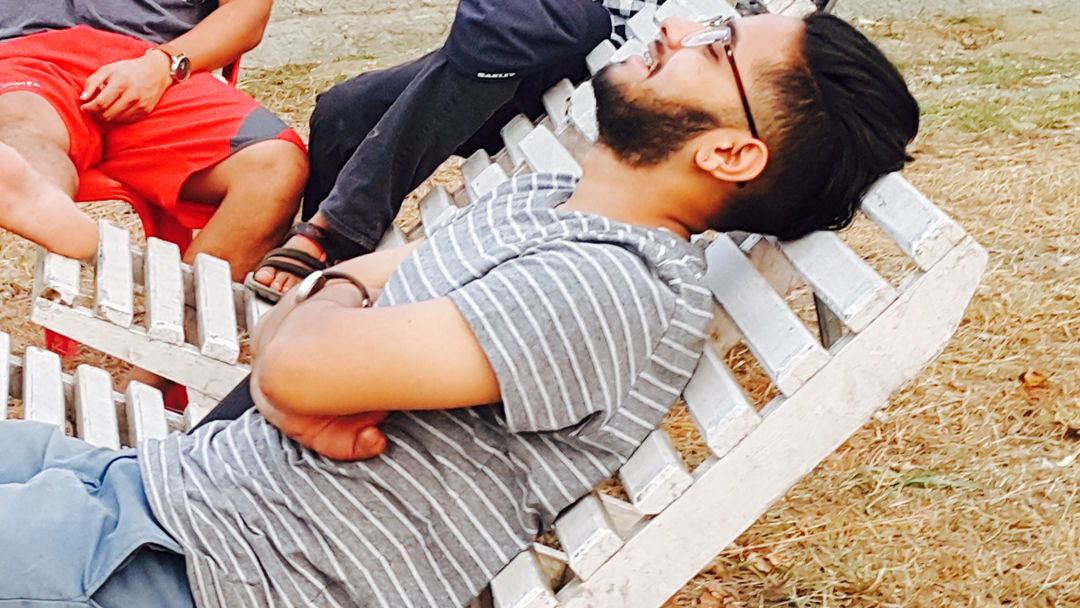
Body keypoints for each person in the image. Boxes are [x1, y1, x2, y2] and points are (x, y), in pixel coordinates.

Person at [0, 12, 918, 607]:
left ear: (731, 155)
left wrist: (313, 337)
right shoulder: (549, 205)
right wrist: (326, 315)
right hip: (162, 491)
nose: (675, 27)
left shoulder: (609, 289)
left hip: (206, 568)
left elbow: (292, 363)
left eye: (717, 48)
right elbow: (298, 342)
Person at [247, 0, 671, 299]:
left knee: (526, 22)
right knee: (344, 113)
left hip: (608, 66)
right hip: (524, 50)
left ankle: (337, 232)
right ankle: (327, 260)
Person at [0, 0, 307, 279]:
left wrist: (162, 65)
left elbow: (247, 12)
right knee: (21, 130)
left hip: (155, 66)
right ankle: (47, 206)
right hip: (26, 55)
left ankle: (186, 310)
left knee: (275, 168)